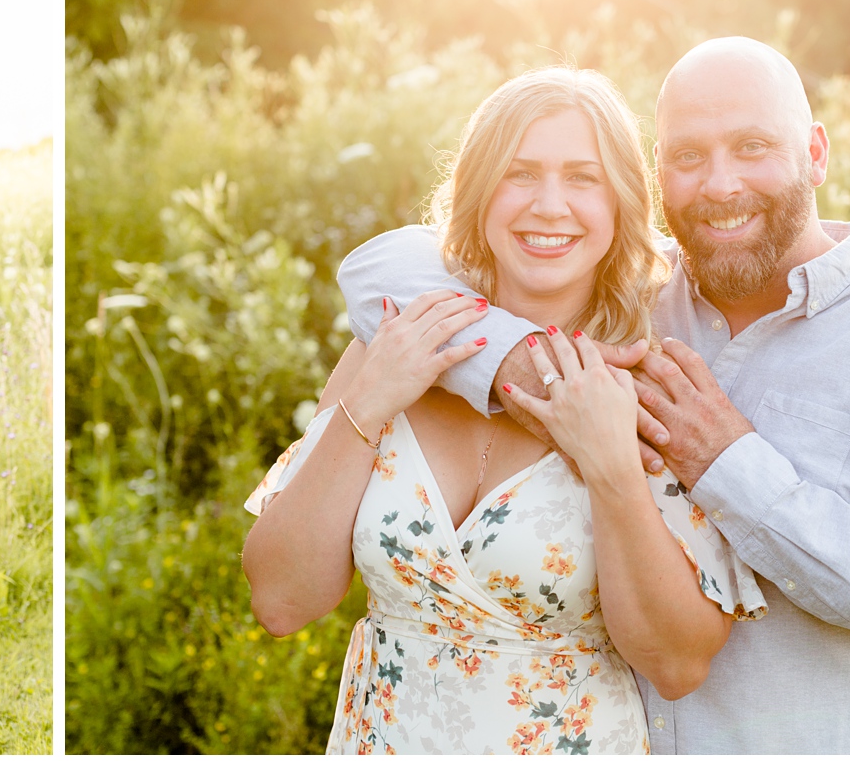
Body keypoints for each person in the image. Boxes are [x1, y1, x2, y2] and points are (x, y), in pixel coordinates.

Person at [338, 37, 850, 753]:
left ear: (816, 153)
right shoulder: (632, 296)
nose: (720, 184)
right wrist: (533, 365)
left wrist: (733, 469)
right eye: (688, 157)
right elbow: (382, 270)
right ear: (656, 173)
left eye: (753, 146)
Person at [243, 67, 764, 755]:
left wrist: (611, 465)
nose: (550, 205)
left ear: (621, 204)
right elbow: (281, 601)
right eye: (521, 173)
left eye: (584, 178)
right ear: (480, 190)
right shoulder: (398, 341)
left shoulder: (646, 379)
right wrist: (366, 404)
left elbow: (676, 664)